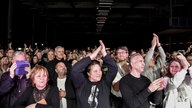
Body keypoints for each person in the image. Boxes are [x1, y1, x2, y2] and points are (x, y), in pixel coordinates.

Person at [71, 40, 118, 108]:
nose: (99, 73)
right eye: (95, 71)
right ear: (88, 73)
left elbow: (114, 68)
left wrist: (104, 53)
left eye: (99, 70)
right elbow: (75, 70)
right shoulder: (81, 83)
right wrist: (91, 57)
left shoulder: (105, 82)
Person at [141, 33, 166, 108]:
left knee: (157, 103)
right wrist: (153, 46)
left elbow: (163, 57)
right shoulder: (143, 69)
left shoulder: (157, 68)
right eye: (150, 59)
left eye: (153, 59)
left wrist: (158, 45)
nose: (151, 60)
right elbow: (147, 59)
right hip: (147, 91)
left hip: (157, 92)